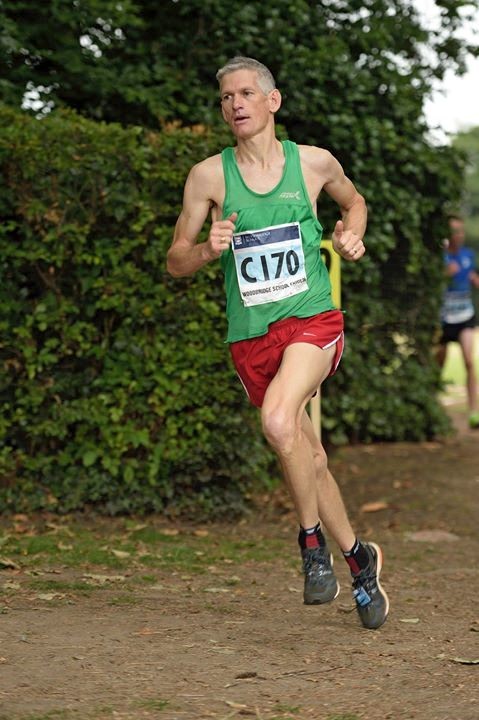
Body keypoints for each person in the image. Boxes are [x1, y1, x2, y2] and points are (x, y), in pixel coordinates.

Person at [166, 56, 389, 629]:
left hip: (312, 321)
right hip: (251, 338)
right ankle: (359, 559)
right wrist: (207, 249)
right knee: (307, 454)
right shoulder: (208, 177)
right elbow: (175, 260)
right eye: (225, 97)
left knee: (276, 420)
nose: (234, 104)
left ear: (273, 100)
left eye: (245, 93)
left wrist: (352, 237)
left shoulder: (312, 162)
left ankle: (311, 546)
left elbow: (355, 203)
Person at [437, 215, 479, 429]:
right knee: (438, 364)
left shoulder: (469, 255)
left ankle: (474, 411)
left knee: (469, 361)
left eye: (461, 231)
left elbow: (472, 275)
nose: (458, 235)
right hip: (443, 320)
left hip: (465, 317)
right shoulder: (440, 257)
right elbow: (433, 284)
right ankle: (433, 407)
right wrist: (444, 275)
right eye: (454, 231)